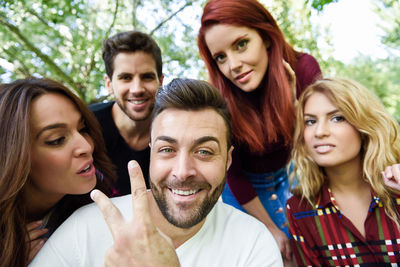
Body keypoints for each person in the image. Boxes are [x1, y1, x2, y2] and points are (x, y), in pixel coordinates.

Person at [30, 78, 283, 267]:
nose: (183, 172)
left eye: (204, 151)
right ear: (150, 154)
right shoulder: (84, 227)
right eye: (167, 149)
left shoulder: (254, 243)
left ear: (227, 160)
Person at [197, 0, 322, 261]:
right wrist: (269, 228)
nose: (233, 65)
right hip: (246, 185)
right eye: (221, 57)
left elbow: (321, 145)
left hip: (297, 164)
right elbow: (234, 175)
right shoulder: (220, 102)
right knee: (273, 253)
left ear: (265, 36)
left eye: (241, 44)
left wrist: (294, 107)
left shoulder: (303, 69)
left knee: (312, 247)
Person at [0, 77, 116, 267]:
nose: (86, 146)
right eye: (57, 139)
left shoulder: (101, 199)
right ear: (13, 156)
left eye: (83, 129)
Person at [287, 77, 400, 266]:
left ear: (364, 126)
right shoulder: (299, 210)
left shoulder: (396, 187)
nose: (319, 132)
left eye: (337, 118)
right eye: (310, 121)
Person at [90, 31, 164, 195]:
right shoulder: (86, 125)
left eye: (147, 77)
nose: (137, 89)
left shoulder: (175, 129)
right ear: (109, 84)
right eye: (126, 77)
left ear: (161, 81)